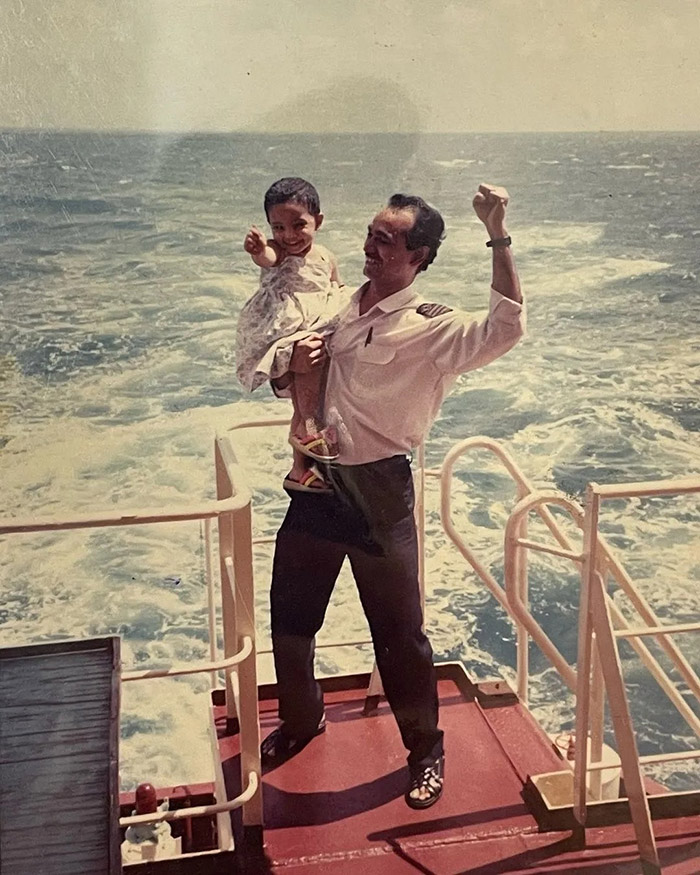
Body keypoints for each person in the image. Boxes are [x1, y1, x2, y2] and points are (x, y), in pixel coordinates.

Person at [263, 184, 525, 810]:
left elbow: (506, 326)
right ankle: (303, 720)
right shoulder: (337, 306)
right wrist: (286, 365)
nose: (369, 247)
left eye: (386, 239)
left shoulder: (433, 327)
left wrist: (496, 231)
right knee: (291, 616)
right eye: (370, 235)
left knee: (399, 636)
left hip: (380, 492)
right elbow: (286, 378)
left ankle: (426, 752)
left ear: (420, 255)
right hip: (318, 483)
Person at [236, 177, 346, 492]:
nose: (289, 236)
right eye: (278, 228)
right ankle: (309, 432)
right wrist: (259, 250)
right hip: (289, 327)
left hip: (317, 321)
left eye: (299, 225)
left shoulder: (325, 255)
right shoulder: (279, 251)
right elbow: (268, 258)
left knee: (305, 400)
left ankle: (300, 469)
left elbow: (336, 285)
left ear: (319, 221)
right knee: (305, 400)